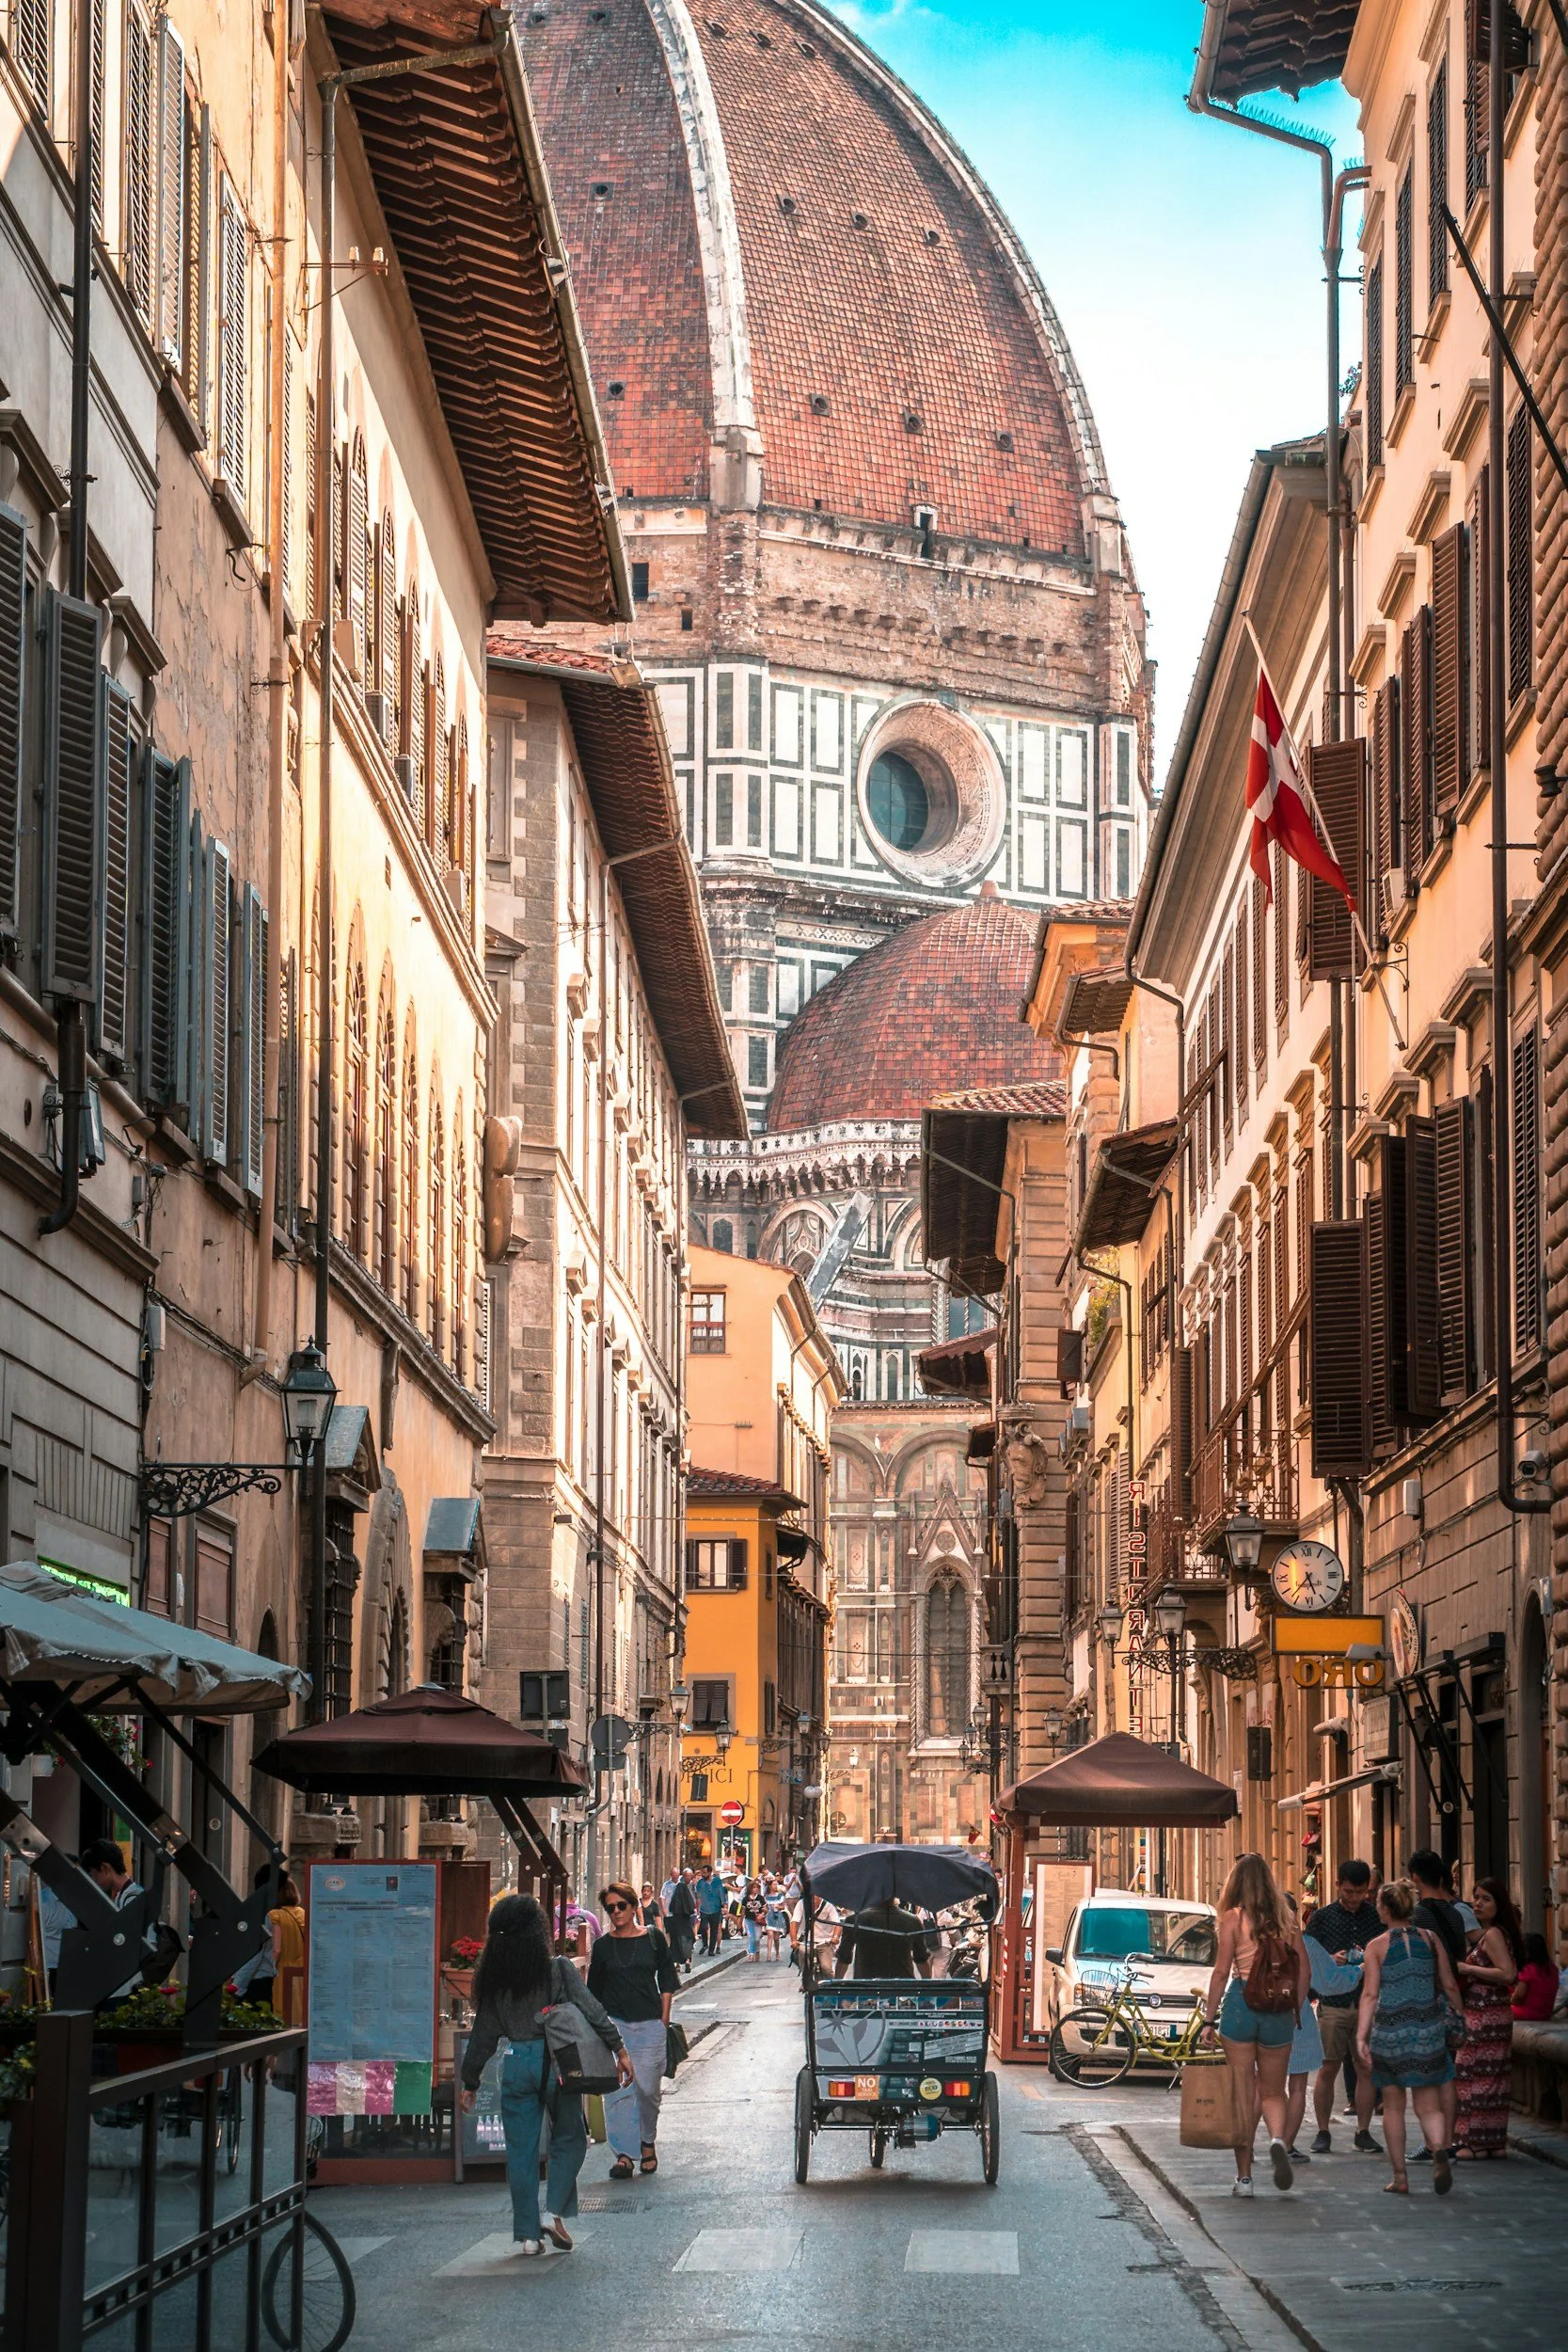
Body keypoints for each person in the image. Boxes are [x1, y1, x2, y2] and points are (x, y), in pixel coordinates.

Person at [460, 1893, 631, 2256]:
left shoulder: (494, 1982)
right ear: (537, 1932)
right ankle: (554, 2212)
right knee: (570, 2136)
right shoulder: (558, 1969)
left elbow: (484, 2035)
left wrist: (470, 2081)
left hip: (517, 2062)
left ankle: (527, 2235)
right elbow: (593, 2010)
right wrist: (620, 2049)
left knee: (520, 2152)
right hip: (559, 2062)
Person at [1200, 1851, 1310, 2198]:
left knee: (1243, 2094)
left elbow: (1220, 1972)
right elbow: (1304, 1970)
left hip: (1241, 2007)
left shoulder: (1232, 1919)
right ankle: (1278, 2139)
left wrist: (1208, 2019)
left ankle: (1244, 2180)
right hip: (1277, 2012)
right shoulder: (1288, 1919)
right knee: (1274, 2091)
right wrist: (1293, 2007)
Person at [1355, 1878, 1464, 2197]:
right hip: (1428, 2027)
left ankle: (1400, 2177)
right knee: (1428, 2106)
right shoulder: (1431, 1940)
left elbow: (1370, 1994)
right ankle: (1439, 2149)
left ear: (1386, 1909)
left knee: (1393, 2106)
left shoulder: (1377, 1946)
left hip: (1390, 2030)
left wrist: (1362, 2035)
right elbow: (1449, 1984)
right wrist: (1459, 2019)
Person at [588, 1881, 680, 2179]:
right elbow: (594, 1994)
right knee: (617, 2092)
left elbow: (667, 1979)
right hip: (615, 2026)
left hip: (650, 2024)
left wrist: (663, 2021)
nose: (615, 1912)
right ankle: (625, 2155)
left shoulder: (653, 1938)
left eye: (621, 1906)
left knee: (649, 2091)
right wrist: (602, 2034)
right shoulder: (602, 1947)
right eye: (610, 1908)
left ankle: (647, 2141)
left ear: (633, 1906)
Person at [1306, 1858, 1384, 2154]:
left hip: (1366, 2002)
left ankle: (1363, 2132)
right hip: (1334, 2003)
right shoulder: (1322, 1918)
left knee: (1365, 2067)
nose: (1354, 1898)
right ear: (1337, 1885)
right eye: (1349, 1891)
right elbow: (1307, 1957)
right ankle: (1323, 2131)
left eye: (1360, 1892)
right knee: (1328, 2068)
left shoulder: (1375, 1917)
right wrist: (1330, 1959)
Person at [1281, 1892, 1361, 2162]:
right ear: (1293, 1915)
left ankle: (1247, 2149)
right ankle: (1286, 2146)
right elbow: (1330, 1983)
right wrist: (1359, 1969)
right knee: (1298, 2087)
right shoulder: (1306, 1944)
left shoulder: (1256, 1941)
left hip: (1264, 2017)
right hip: (1297, 2018)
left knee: (1264, 2087)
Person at [1453, 1875, 1523, 2158]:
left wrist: (1468, 1969)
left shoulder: (1493, 1935)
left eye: (1486, 1899)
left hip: (1485, 2014)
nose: (1477, 1903)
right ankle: (1490, 2141)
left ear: (1499, 1903)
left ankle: (1475, 2141)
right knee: (1490, 2075)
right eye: (1476, 1897)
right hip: (1491, 2011)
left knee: (1474, 2073)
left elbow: (1508, 1974)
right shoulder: (1499, 1932)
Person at [1406, 1851, 1466, 2162]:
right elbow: (1457, 1965)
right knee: (1447, 2074)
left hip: (1425, 2001)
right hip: (1451, 1998)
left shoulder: (1417, 1917)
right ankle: (1449, 2141)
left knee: (1426, 2078)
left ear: (1415, 1878)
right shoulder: (1457, 1913)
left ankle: (1434, 2144)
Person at [833, 1898, 931, 1980]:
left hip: (865, 1987)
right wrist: (929, 1992)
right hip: (902, 1987)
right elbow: (921, 1960)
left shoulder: (854, 1920)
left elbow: (843, 1959)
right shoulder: (912, 1921)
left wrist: (836, 1989)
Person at [1513, 1932, 1560, 2022]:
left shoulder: (1528, 1969)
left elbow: (1518, 1996)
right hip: (1545, 2013)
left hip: (1527, 2012)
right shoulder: (1553, 1968)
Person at [665, 1868, 697, 1971]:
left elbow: (671, 1907)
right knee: (687, 1942)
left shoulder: (675, 1901)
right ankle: (687, 1960)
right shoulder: (687, 1900)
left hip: (676, 1923)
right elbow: (692, 1907)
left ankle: (677, 1963)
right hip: (686, 1923)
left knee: (676, 1943)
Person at [695, 1864, 724, 1958]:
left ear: (710, 1872)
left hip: (716, 1909)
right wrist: (698, 1908)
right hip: (704, 1909)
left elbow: (722, 1894)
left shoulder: (717, 1882)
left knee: (714, 1930)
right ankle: (705, 1944)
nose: (703, 1874)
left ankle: (711, 1950)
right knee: (703, 1927)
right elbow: (698, 1896)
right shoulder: (700, 1883)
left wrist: (725, 1905)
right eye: (702, 1872)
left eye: (705, 1873)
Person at [764, 1873, 788, 1962]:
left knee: (776, 1938)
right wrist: (764, 1910)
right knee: (770, 1935)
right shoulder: (766, 1897)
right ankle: (769, 1955)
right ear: (770, 1886)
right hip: (769, 1916)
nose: (775, 1886)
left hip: (778, 1917)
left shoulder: (780, 1896)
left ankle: (777, 1952)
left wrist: (778, 1907)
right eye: (774, 1884)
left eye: (776, 1884)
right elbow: (765, 1907)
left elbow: (783, 1906)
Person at [742, 1877, 768, 1961]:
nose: (756, 1889)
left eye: (757, 1887)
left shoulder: (760, 1898)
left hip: (758, 1921)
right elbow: (743, 1910)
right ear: (750, 1889)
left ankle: (757, 1951)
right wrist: (740, 1921)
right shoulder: (745, 1899)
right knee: (751, 1937)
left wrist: (762, 1914)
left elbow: (765, 1908)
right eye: (754, 1888)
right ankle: (751, 1954)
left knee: (757, 1938)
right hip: (749, 1920)